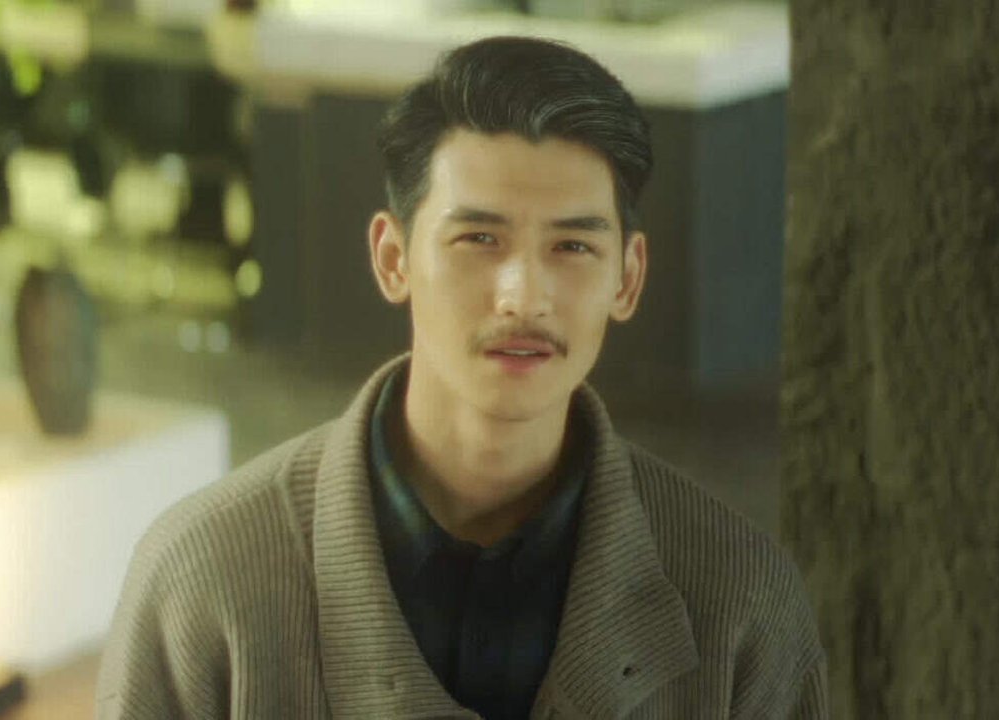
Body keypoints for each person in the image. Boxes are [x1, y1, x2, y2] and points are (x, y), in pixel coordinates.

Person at [96, 36, 826, 719]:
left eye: (572, 246)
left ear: (628, 278)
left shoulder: (739, 598)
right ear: (393, 259)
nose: (523, 296)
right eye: (479, 238)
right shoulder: (204, 581)